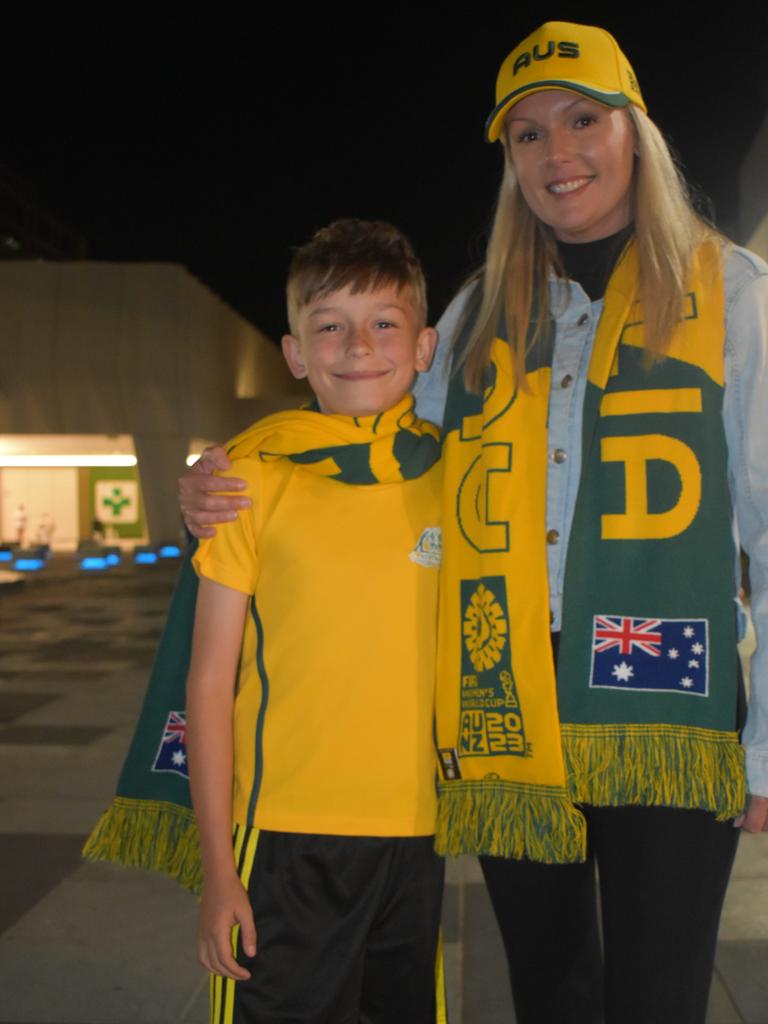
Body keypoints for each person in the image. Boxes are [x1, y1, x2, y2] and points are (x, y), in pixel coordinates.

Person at [178, 22, 768, 1024]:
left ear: (638, 131)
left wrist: (765, 751)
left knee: (659, 999)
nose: (558, 152)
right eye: (527, 134)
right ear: (509, 162)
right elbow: (370, 428)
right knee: (548, 989)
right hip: (506, 709)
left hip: (666, 703)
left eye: (583, 119)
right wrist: (224, 470)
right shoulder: (478, 314)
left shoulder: (735, 298)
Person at [186, 219, 445, 1024]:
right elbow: (208, 681)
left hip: (418, 832)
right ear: (296, 353)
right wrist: (219, 869)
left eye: (383, 324)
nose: (357, 345)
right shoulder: (250, 478)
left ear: (425, 346)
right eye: (329, 325)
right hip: (286, 835)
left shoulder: (457, 476)